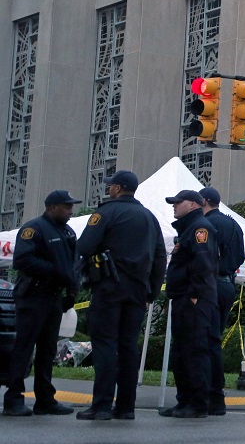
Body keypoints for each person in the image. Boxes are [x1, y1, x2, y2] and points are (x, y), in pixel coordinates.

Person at [76, 170, 167, 421]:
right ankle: (126, 407)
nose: (109, 189)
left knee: (105, 345)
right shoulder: (150, 217)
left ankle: (102, 405)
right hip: (138, 292)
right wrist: (151, 291)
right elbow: (160, 258)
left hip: (108, 288)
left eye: (110, 186)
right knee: (128, 347)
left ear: (117, 188)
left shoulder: (105, 212)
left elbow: (84, 246)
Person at [2, 190, 82, 417]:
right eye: (66, 207)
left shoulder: (67, 232)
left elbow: (73, 266)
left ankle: (45, 399)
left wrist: (71, 291)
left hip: (54, 298)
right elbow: (22, 260)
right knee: (24, 348)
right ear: (52, 207)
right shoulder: (33, 229)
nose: (70, 211)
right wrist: (55, 271)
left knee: (47, 351)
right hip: (33, 297)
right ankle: (13, 398)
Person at [159, 190, 219, 419]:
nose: (174, 206)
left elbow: (202, 263)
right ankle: (184, 401)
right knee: (181, 352)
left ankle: (198, 403)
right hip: (184, 298)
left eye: (178, 202)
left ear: (193, 205)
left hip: (194, 299)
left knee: (194, 351)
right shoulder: (188, 229)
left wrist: (194, 294)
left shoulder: (199, 229)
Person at [199, 186, 245, 416]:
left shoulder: (205, 225)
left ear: (204, 201)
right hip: (228, 283)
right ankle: (215, 395)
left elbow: (203, 256)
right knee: (214, 339)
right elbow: (241, 257)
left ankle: (209, 394)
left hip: (210, 284)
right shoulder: (235, 225)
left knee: (203, 341)